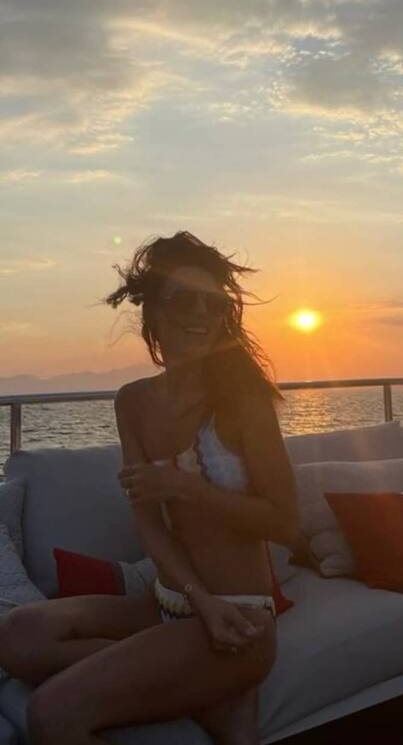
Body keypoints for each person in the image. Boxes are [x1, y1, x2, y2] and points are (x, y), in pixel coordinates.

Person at [0, 231, 300, 745]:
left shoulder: (242, 402)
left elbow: (285, 522)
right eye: (184, 300)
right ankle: (196, 689)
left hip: (241, 616)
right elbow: (149, 525)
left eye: (214, 303)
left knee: (51, 714)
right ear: (153, 311)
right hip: (170, 603)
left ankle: (196, 677)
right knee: (16, 635)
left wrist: (187, 488)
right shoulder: (133, 402)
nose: (201, 313)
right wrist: (197, 600)